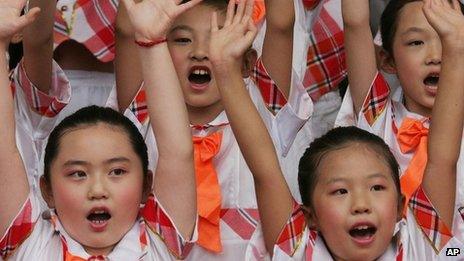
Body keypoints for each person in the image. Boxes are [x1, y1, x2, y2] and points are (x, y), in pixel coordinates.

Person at [221, 0, 464, 258]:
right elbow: (265, 169)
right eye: (340, 191)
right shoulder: (305, 252)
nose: (361, 205)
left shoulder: (419, 246)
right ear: (309, 214)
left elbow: (442, 159)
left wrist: (457, 48)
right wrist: (224, 69)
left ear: (400, 207)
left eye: (377, 187)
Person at [115, 0, 312, 259]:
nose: (199, 52)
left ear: (248, 63)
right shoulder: (143, 109)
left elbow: (282, 22)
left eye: (218, 37)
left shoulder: (263, 106)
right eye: (183, 40)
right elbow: (128, 27)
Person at [0, 0, 197, 258]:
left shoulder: (159, 245)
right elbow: (3, 151)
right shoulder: (29, 245)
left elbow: (177, 153)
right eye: (78, 174)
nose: (97, 190)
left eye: (117, 171)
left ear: (147, 185)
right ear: (47, 190)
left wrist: (154, 42)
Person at [336, 0, 464, 243]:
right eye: (416, 42)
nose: (436, 56)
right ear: (387, 60)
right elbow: (355, 22)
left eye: (448, 39)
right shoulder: (377, 118)